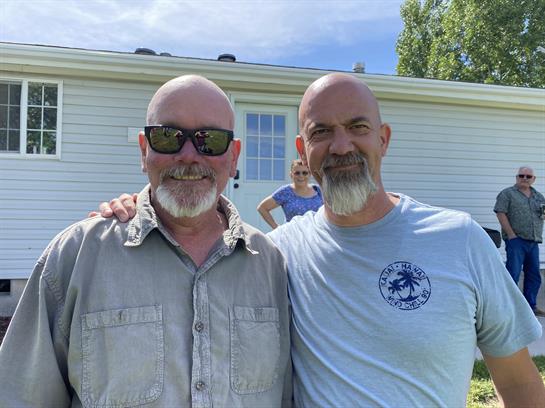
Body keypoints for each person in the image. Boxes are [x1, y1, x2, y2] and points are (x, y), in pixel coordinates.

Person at [96, 73, 545, 406]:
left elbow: (519, 382)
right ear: (302, 151)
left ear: (383, 139)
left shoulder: (459, 239)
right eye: (321, 132)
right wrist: (142, 206)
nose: (341, 145)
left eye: (358, 127)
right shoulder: (278, 252)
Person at [0, 75, 292, 407]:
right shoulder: (76, 256)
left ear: (234, 156)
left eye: (209, 140)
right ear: (144, 150)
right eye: (168, 137)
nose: (188, 155)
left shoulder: (270, 265)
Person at [494, 166, 545, 316]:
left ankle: (530, 307)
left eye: (528, 176)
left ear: (533, 179)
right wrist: (511, 235)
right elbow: (500, 213)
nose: (525, 178)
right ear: (517, 177)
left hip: (533, 241)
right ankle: (508, 308)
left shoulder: (538, 197)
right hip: (516, 241)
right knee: (513, 274)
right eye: (521, 175)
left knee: (534, 275)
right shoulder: (507, 194)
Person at [257, 159, 322, 229]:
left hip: (316, 233)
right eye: (297, 173)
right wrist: (277, 228)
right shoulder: (285, 192)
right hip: (293, 234)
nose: (301, 176)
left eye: (304, 173)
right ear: (291, 175)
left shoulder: (318, 190)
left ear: (309, 174)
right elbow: (262, 208)